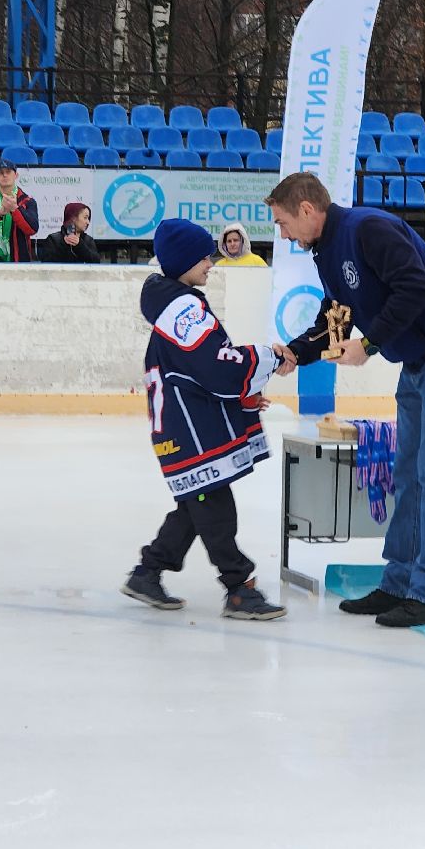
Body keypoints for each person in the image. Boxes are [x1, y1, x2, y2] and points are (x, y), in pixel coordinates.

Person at [269, 171, 425, 628]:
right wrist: (297, 352)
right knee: (406, 474)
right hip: (418, 358)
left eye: (283, 223)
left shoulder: (368, 228)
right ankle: (397, 583)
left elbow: (417, 287)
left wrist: (371, 344)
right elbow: (335, 319)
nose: (283, 234)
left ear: (307, 210)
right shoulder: (324, 251)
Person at [121, 218, 286, 620]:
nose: (211, 262)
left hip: (185, 424)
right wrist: (268, 357)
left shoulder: (174, 303)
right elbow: (215, 364)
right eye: (203, 257)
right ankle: (237, 587)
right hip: (189, 428)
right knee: (213, 507)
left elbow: (198, 369)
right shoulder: (182, 307)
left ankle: (148, 572)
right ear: (183, 261)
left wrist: (245, 388)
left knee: (196, 503)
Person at [36, 202, 101, 263]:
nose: (88, 222)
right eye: (85, 218)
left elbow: (96, 261)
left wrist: (80, 245)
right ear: (73, 218)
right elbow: (47, 263)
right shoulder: (53, 239)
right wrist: (64, 245)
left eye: (88, 218)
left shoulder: (88, 240)